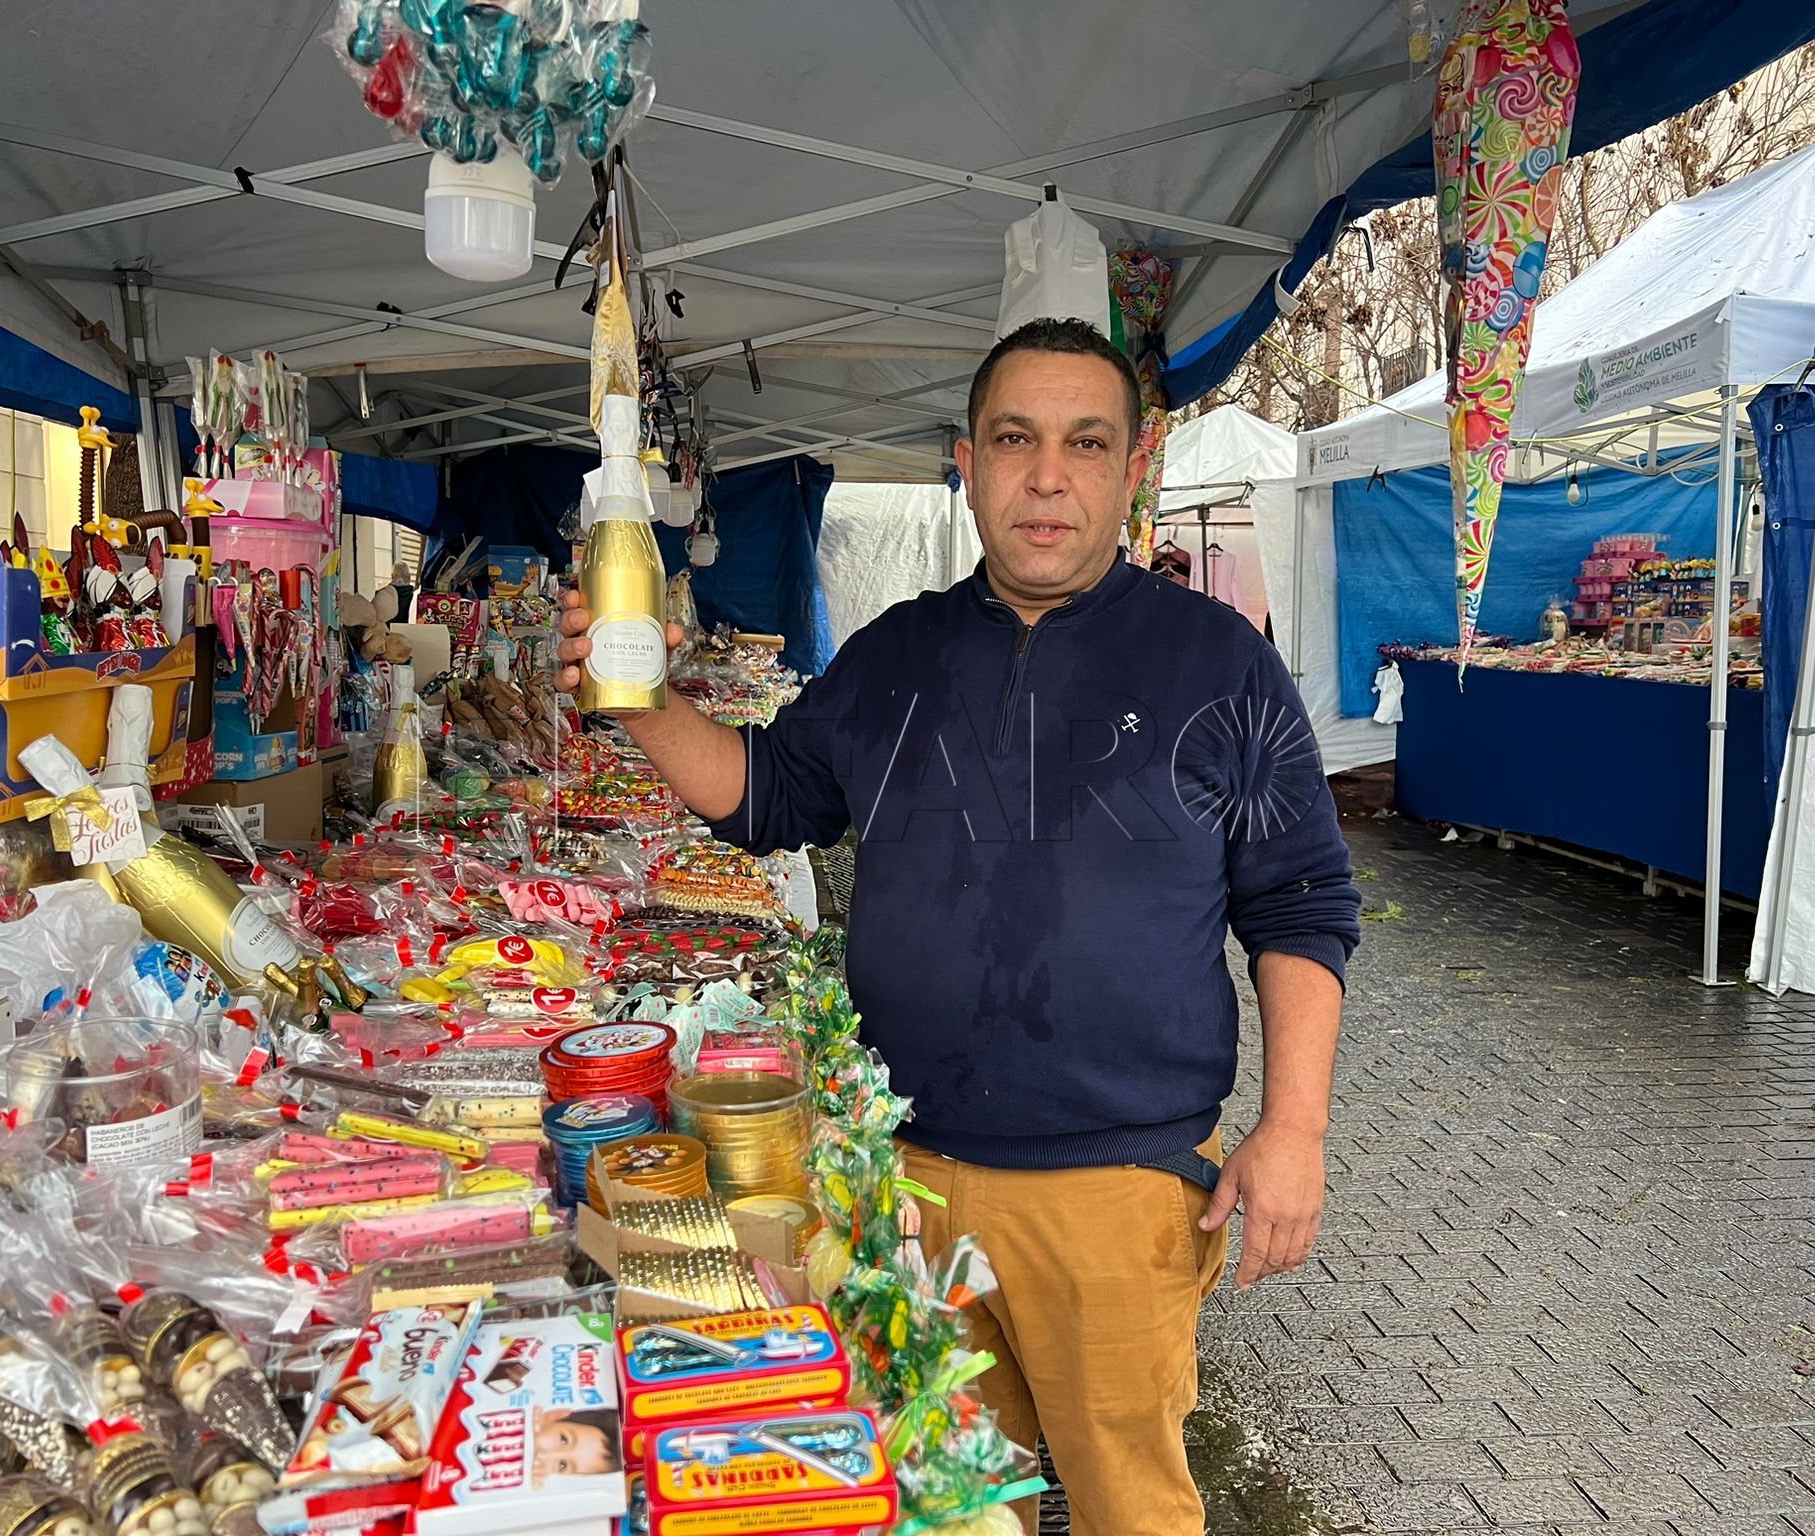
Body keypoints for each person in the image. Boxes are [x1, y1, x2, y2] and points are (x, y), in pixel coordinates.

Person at [557, 317, 1361, 1535]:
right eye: (1014, 439)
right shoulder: (894, 656)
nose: (1048, 474)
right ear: (964, 463)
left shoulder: (1216, 664)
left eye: (1085, 442)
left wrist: (1292, 1126)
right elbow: (768, 795)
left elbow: (1300, 899)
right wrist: (641, 702)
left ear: (1130, 469)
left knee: (1127, 1509)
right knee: (937, 1504)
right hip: (902, 1177)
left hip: (1115, 1190)